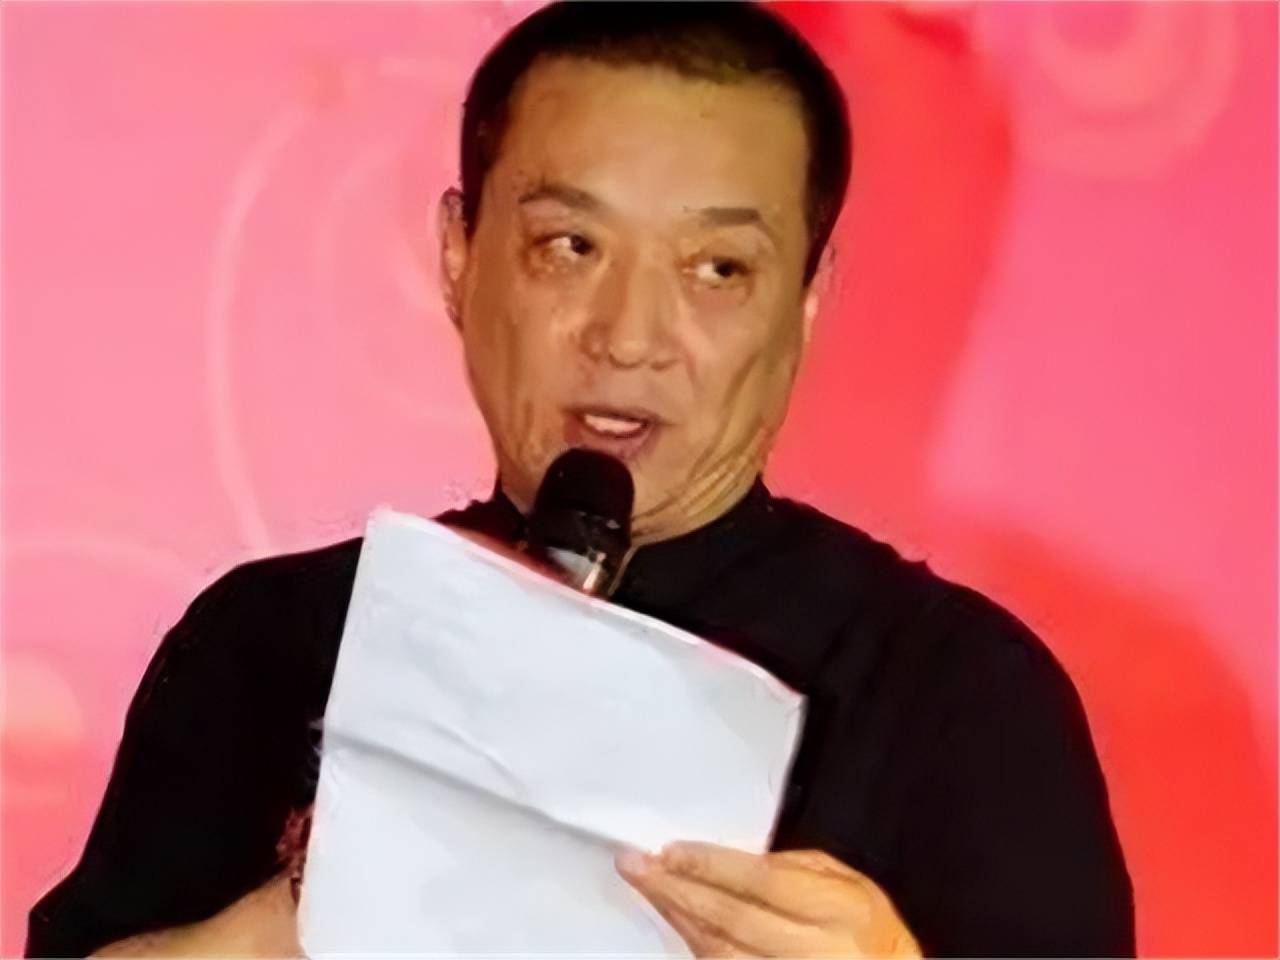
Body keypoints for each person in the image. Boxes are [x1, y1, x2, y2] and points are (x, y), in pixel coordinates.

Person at [26, 3, 1134, 957]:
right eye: (569, 247)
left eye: (717, 269)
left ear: (806, 301)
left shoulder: (957, 696)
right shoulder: (267, 642)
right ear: (458, 256)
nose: (629, 335)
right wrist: (333, 883)